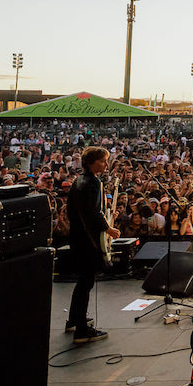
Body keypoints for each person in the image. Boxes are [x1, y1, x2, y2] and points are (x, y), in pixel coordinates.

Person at [66, 146, 119, 344]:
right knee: (86, 282)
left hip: (77, 237)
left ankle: (74, 319)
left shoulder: (78, 181)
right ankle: (81, 330)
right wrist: (108, 228)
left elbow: (75, 210)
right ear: (91, 162)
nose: (106, 164)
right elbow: (93, 212)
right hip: (88, 241)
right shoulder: (93, 183)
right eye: (103, 161)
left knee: (82, 281)